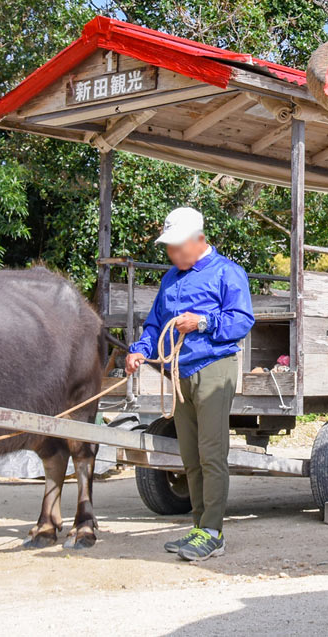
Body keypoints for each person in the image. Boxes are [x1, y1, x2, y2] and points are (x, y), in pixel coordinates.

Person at [124, 206, 253, 562]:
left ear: (199, 240)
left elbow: (242, 321)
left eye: (177, 246)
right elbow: (154, 323)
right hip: (179, 373)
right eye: (169, 247)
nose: (172, 254)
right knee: (190, 455)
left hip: (215, 368)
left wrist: (202, 323)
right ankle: (200, 528)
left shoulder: (228, 272)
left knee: (212, 453)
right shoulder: (170, 279)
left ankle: (212, 531)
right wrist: (140, 350)